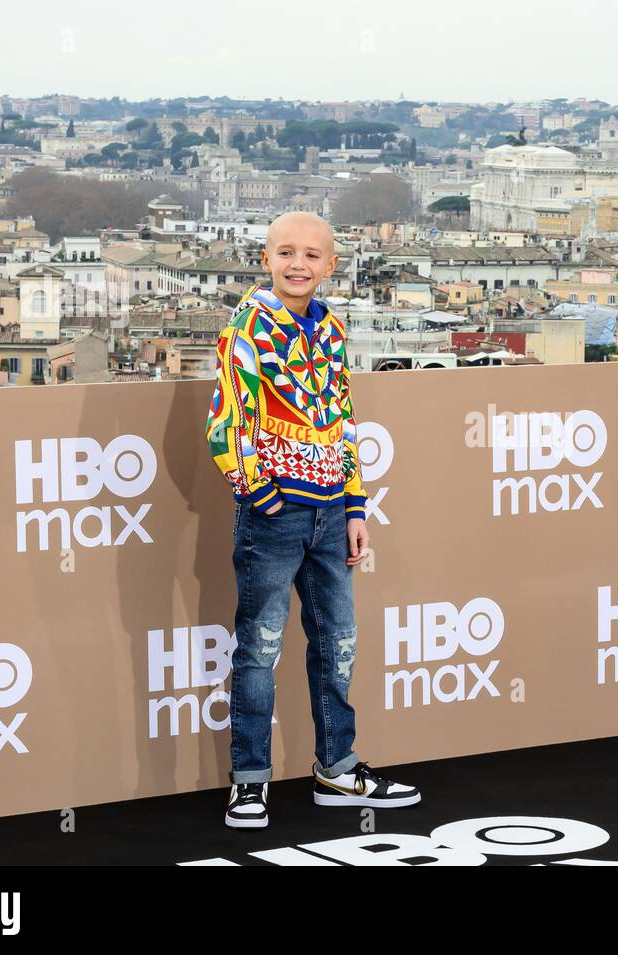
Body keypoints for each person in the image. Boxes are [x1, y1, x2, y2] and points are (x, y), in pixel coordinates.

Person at [206, 211, 420, 829]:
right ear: (267, 258)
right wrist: (264, 498)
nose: (298, 264)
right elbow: (226, 426)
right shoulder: (244, 330)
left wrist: (354, 506)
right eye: (286, 253)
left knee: (337, 645)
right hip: (275, 517)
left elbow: (342, 419)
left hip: (332, 513)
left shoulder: (331, 327)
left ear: (331, 265)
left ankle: (337, 768)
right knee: (259, 651)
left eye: (310, 255)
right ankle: (249, 783)